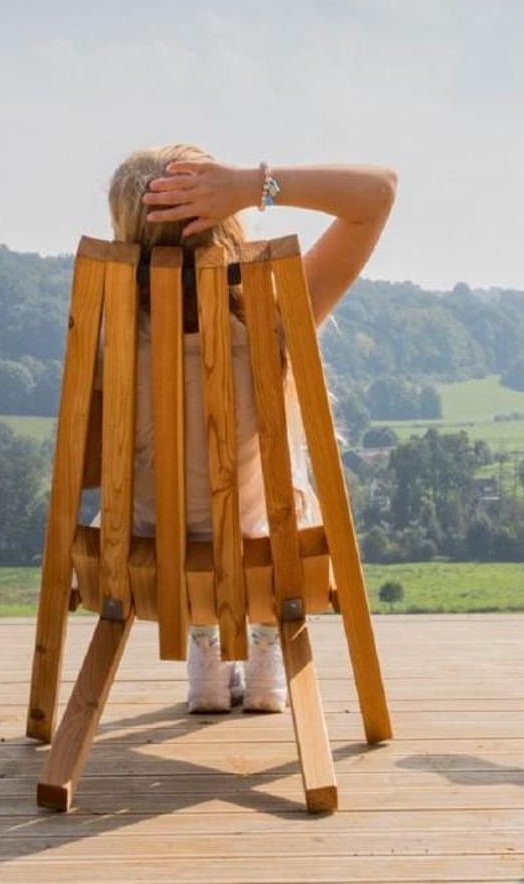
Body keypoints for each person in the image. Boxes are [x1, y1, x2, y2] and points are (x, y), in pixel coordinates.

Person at [104, 145, 397, 715]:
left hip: (146, 564)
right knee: (276, 497)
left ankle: (206, 652)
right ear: (222, 220)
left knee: (173, 497)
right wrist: (252, 184)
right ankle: (266, 652)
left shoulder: (107, 326)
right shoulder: (275, 309)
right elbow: (379, 192)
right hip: (269, 567)